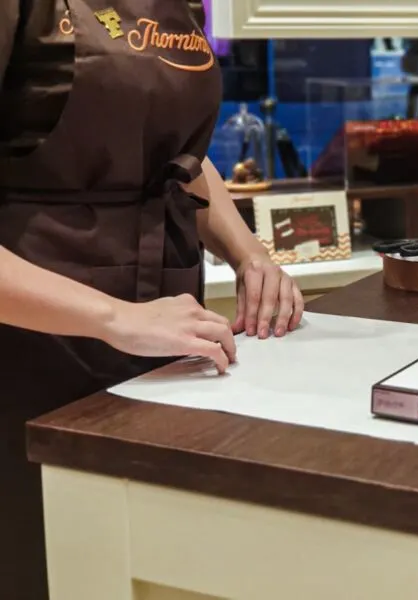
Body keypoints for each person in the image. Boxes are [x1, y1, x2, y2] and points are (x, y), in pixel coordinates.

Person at [0, 1, 303, 598]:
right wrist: (115, 317)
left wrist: (249, 253)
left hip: (161, 321)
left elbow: (180, 156)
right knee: (49, 555)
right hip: (31, 328)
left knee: (147, 556)